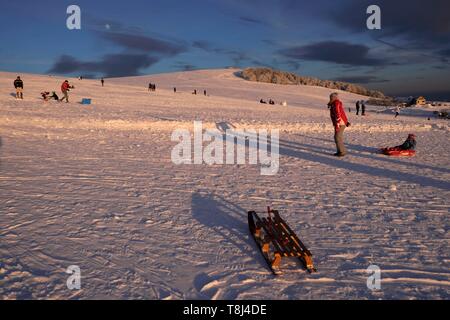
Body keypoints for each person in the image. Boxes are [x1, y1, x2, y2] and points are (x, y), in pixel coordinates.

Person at [328, 92, 350, 157]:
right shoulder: (334, 103)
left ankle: (342, 152)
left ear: (334, 98)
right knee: (337, 137)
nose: (330, 98)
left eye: (331, 97)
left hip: (340, 123)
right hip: (339, 123)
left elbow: (338, 114)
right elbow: (342, 113)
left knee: (338, 137)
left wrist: (338, 124)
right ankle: (340, 151)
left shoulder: (336, 103)